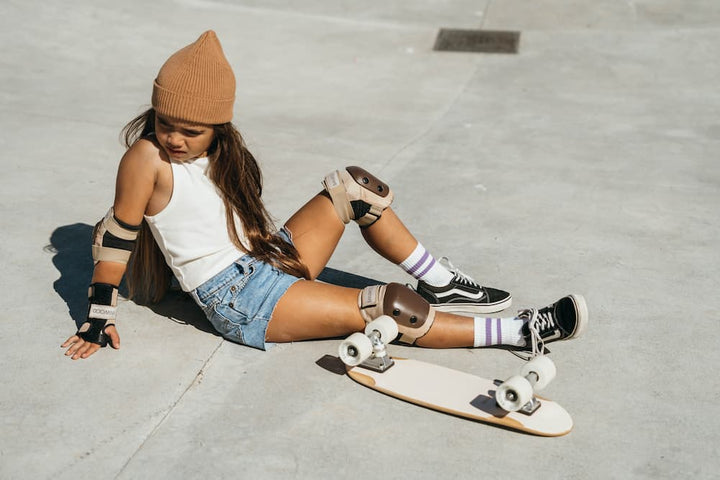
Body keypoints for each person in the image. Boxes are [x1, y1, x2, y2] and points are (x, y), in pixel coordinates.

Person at [61, 31, 588, 360]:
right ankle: (519, 331)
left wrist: (267, 244)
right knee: (389, 305)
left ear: (220, 126)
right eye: (165, 122)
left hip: (266, 257)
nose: (174, 138)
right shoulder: (146, 158)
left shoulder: (224, 154)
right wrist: (98, 313)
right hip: (240, 299)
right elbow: (117, 235)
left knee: (355, 189)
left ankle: (445, 283)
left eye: (191, 131)